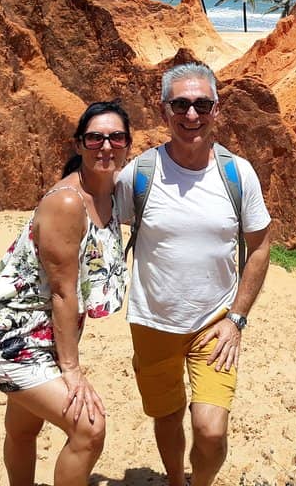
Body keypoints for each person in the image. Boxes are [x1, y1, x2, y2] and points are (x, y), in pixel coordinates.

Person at [116, 62, 272, 486]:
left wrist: (237, 319)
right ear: (164, 109)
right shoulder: (140, 175)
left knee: (210, 431)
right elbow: (102, 228)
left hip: (214, 327)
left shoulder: (237, 173)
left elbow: (259, 248)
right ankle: (175, 480)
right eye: (181, 104)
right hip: (152, 322)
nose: (191, 115)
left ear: (216, 109)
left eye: (202, 104)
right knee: (166, 417)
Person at [0, 101, 131, 486]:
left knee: (23, 429)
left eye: (116, 137)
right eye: (95, 138)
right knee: (89, 429)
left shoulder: (110, 195)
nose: (106, 146)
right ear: (79, 144)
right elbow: (62, 293)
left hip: (46, 336)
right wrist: (72, 372)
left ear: (128, 145)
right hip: (14, 338)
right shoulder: (66, 202)